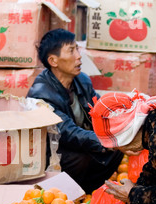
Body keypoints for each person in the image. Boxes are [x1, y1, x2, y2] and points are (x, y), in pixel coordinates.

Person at [27, 28, 124, 194]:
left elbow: (101, 110)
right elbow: (67, 132)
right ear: (53, 61)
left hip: (80, 145)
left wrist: (123, 129)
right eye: (71, 51)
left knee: (117, 150)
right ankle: (65, 195)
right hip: (52, 156)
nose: (78, 56)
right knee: (82, 158)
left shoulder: (82, 81)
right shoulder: (41, 94)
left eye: (77, 49)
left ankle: (87, 193)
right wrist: (108, 142)